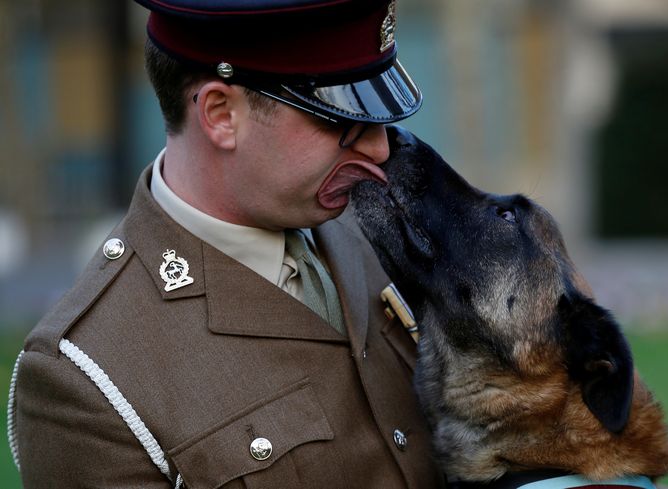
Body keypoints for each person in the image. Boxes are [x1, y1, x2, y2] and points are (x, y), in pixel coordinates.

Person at [7, 1, 445, 487]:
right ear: (220, 114)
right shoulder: (88, 376)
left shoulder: (371, 222)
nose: (380, 150)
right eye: (339, 121)